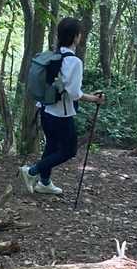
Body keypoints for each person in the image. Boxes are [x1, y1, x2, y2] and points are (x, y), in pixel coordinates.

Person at [19, 17, 103, 197]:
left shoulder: (52, 56)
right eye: (79, 34)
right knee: (69, 150)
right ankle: (32, 171)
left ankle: (44, 183)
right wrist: (94, 99)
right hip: (61, 115)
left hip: (45, 110)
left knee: (51, 146)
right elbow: (74, 93)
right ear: (75, 37)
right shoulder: (74, 62)